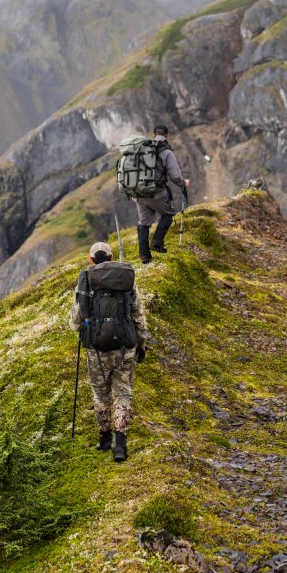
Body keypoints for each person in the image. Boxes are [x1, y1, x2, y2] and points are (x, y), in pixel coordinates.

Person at [69, 241, 149, 462]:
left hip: (96, 350)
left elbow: (76, 322)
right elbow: (138, 318)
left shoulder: (85, 283)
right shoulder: (127, 282)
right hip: (125, 348)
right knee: (123, 393)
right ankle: (120, 445)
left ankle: (104, 439)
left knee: (100, 393)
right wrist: (141, 344)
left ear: (91, 260)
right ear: (112, 258)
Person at [133, 124, 190, 264]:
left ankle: (145, 258)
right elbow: (175, 176)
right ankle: (157, 243)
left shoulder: (141, 149)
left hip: (138, 192)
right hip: (156, 192)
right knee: (167, 215)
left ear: (153, 134)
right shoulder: (166, 152)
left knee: (144, 223)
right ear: (167, 135)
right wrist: (184, 183)